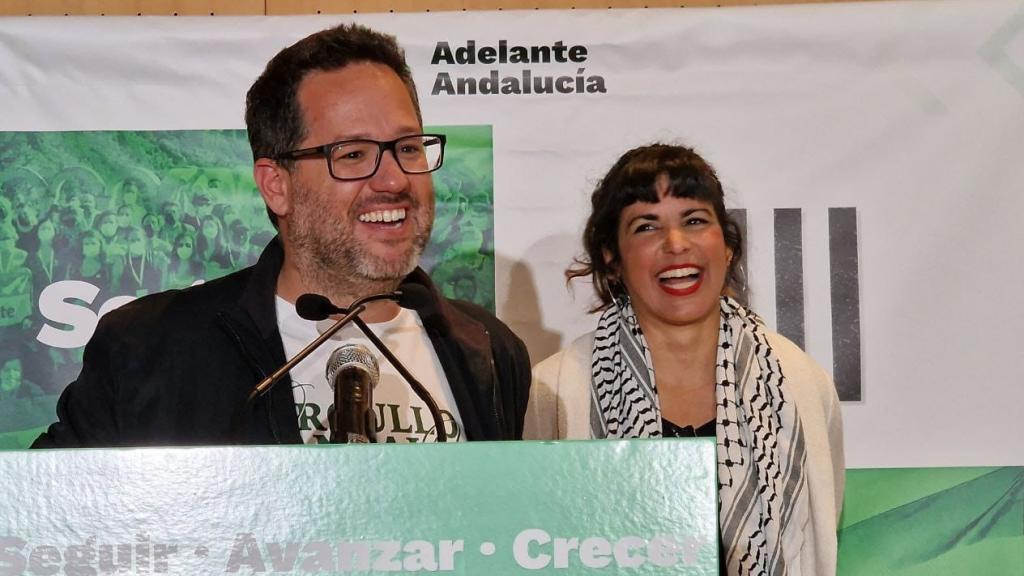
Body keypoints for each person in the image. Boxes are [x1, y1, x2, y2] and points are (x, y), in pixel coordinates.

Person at [33, 23, 530, 447]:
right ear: (277, 185)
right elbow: (42, 522)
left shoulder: (489, 349)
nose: (395, 179)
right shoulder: (148, 350)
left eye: (408, 148)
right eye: (353, 154)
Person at [524, 144, 844, 576]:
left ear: (727, 245)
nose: (676, 244)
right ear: (611, 258)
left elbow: (819, 533)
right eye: (646, 227)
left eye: (694, 220)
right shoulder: (556, 390)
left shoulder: (801, 383)